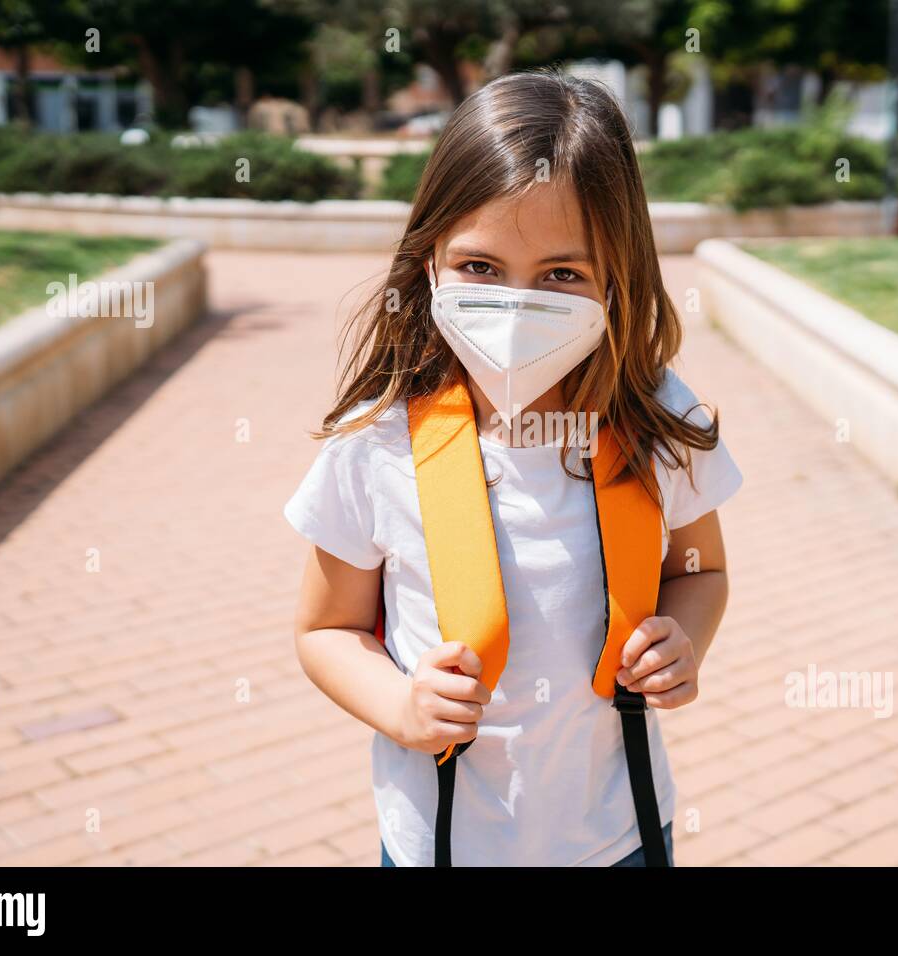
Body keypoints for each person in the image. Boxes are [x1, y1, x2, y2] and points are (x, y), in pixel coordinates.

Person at [284, 69, 743, 867]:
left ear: (618, 276)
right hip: (441, 844)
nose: (518, 308)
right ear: (429, 260)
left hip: (622, 836)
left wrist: (686, 641)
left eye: (563, 275)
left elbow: (700, 571)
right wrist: (399, 706)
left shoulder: (656, 416)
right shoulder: (378, 441)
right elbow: (328, 628)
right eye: (481, 269)